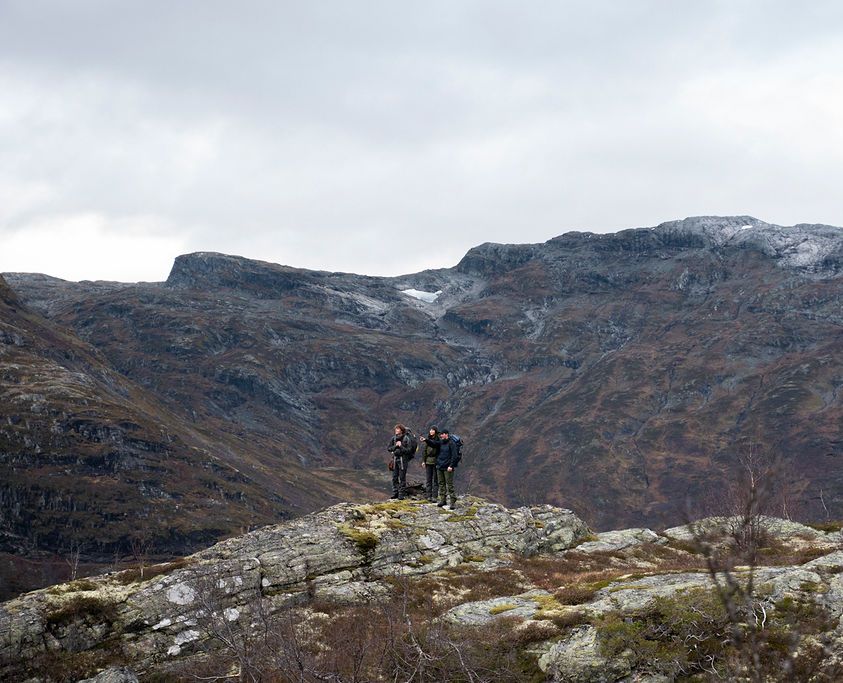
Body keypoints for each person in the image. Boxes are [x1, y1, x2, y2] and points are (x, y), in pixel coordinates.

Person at [435, 428, 459, 510]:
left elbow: (454, 456)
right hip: (440, 465)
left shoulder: (451, 443)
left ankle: (452, 501)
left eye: (442, 434)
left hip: (448, 467)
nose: (440, 436)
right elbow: (433, 444)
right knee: (441, 483)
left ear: (446, 434)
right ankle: (443, 500)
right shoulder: (441, 443)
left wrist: (451, 466)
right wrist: (426, 440)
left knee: (449, 484)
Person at [387, 423, 412, 500]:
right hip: (395, 459)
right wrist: (396, 446)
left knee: (402, 477)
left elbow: (409, 450)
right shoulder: (393, 438)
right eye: (395, 429)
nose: (396, 430)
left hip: (403, 460)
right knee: (394, 477)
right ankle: (395, 493)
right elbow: (389, 448)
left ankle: (401, 494)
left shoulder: (406, 439)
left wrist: (401, 446)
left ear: (401, 430)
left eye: (397, 429)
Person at [419, 426, 441, 502]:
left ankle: (435, 496)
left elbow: (434, 444)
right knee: (428, 479)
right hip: (428, 461)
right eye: (430, 430)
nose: (431, 431)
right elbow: (424, 451)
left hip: (436, 461)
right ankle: (429, 496)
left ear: (435, 431)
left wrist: (426, 440)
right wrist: (423, 461)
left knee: (435, 479)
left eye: (432, 430)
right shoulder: (428, 440)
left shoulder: (438, 440)